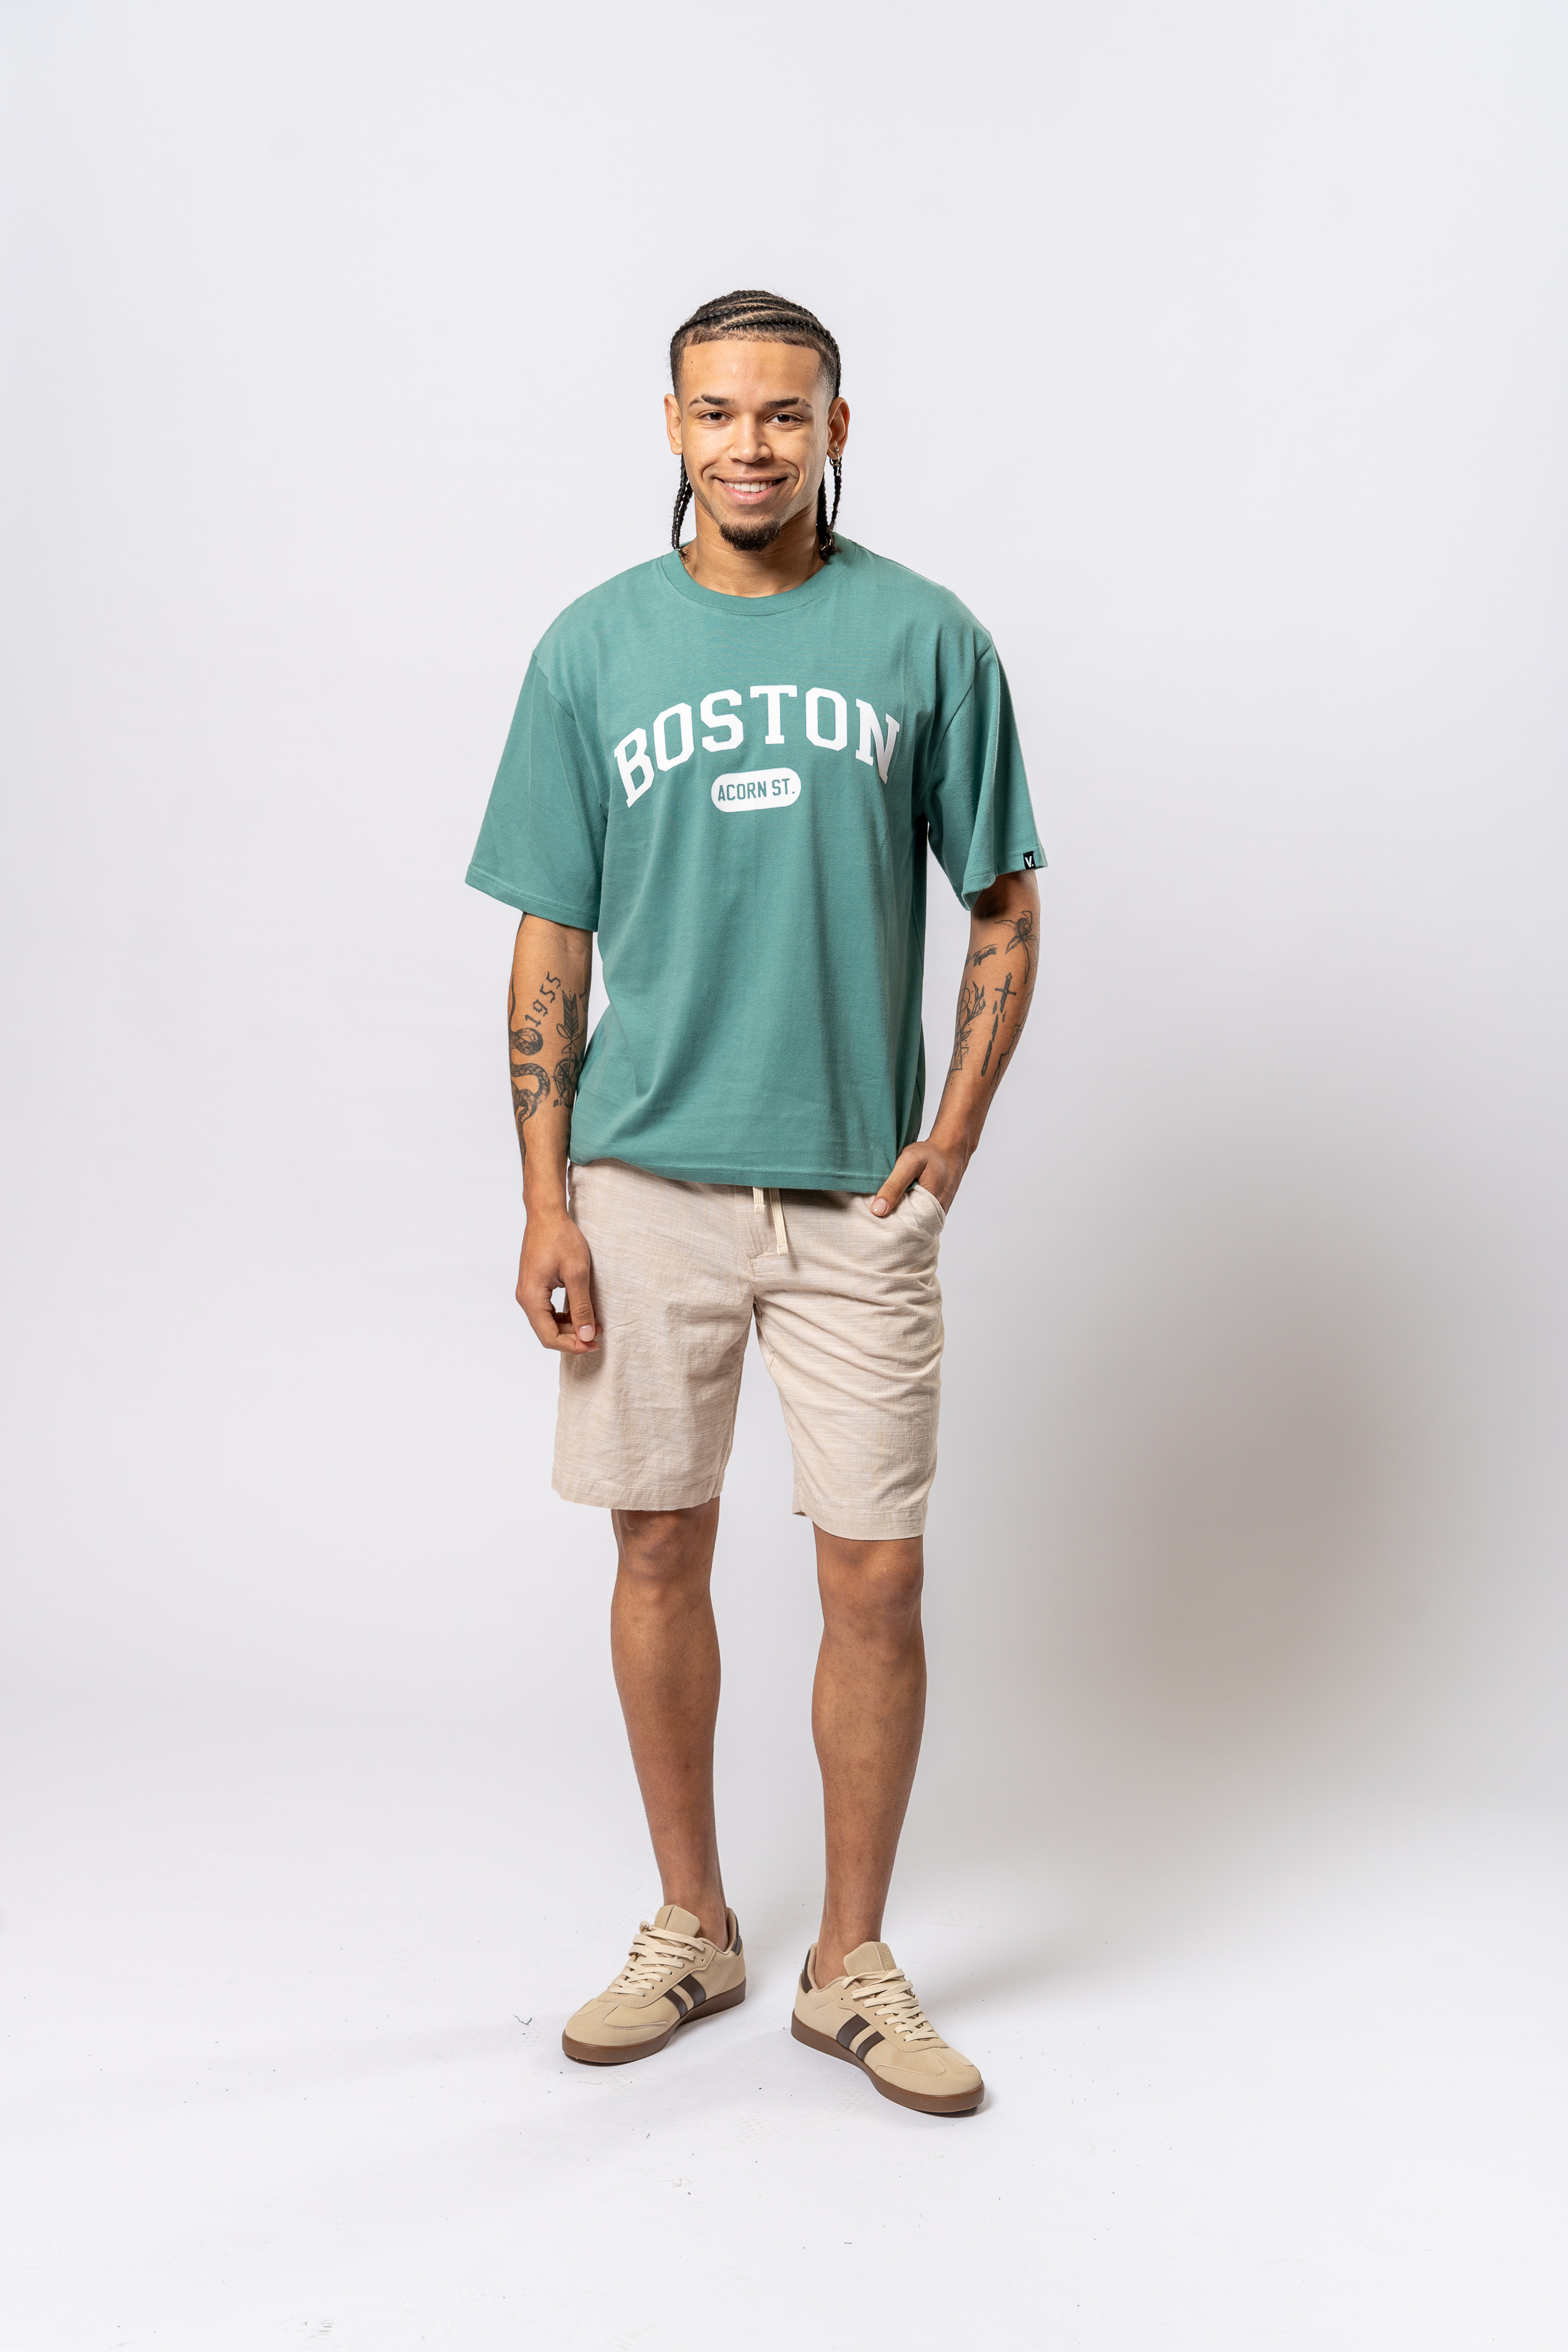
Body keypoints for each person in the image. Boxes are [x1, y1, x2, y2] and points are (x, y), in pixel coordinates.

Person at [467, 289, 1041, 2117]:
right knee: (656, 1548)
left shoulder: (924, 637)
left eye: (782, 414)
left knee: (875, 1570)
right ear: (670, 426)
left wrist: (949, 1139)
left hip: (853, 1199)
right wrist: (544, 1199)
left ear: (834, 429)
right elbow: (548, 939)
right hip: (642, 1180)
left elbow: (1003, 902)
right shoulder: (591, 650)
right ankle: (693, 1923)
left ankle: (848, 1963)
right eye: (715, 411)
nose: (748, 444)